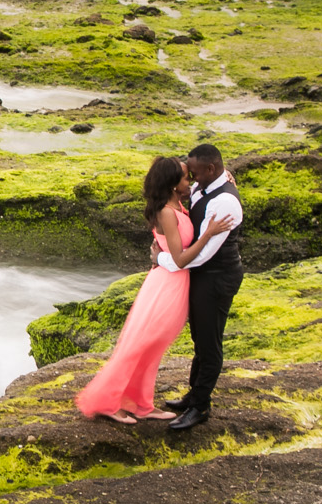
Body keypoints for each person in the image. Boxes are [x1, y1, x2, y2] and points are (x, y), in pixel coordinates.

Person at [75, 156, 234, 424]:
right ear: (173, 184)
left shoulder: (179, 203)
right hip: (166, 286)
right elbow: (181, 258)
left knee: (154, 348)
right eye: (186, 178)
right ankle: (109, 402)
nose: (191, 181)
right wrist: (208, 233)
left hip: (176, 284)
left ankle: (141, 404)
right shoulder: (166, 212)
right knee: (139, 346)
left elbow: (202, 183)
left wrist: (225, 176)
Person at [167, 143, 246, 433]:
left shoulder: (224, 203)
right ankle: (193, 394)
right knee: (199, 336)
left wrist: (165, 260)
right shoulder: (208, 184)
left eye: (195, 172)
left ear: (211, 169)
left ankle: (200, 406)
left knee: (210, 341)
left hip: (218, 275)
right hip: (203, 274)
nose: (191, 178)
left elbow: (204, 253)